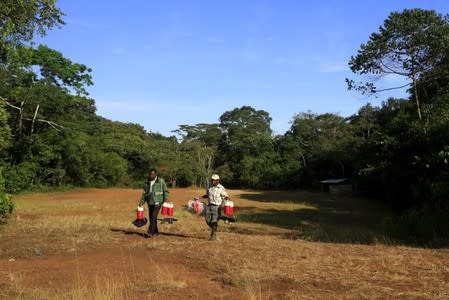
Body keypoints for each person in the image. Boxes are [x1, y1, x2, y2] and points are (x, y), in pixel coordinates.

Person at [138, 168, 169, 238]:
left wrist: (166, 199)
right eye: (150, 174)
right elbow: (144, 194)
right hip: (150, 201)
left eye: (153, 174)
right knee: (151, 217)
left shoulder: (161, 181)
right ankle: (156, 231)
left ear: (156, 174)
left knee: (153, 216)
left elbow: (166, 191)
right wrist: (141, 202)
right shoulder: (147, 182)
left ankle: (150, 232)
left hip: (158, 201)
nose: (151, 175)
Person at [203, 174, 229, 241]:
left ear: (218, 180)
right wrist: (201, 197)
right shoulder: (209, 187)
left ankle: (214, 236)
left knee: (214, 221)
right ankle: (214, 229)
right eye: (212, 180)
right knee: (207, 220)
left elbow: (225, 195)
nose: (213, 181)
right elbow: (207, 195)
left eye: (214, 180)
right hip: (209, 206)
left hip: (217, 207)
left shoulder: (221, 188)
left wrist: (227, 198)